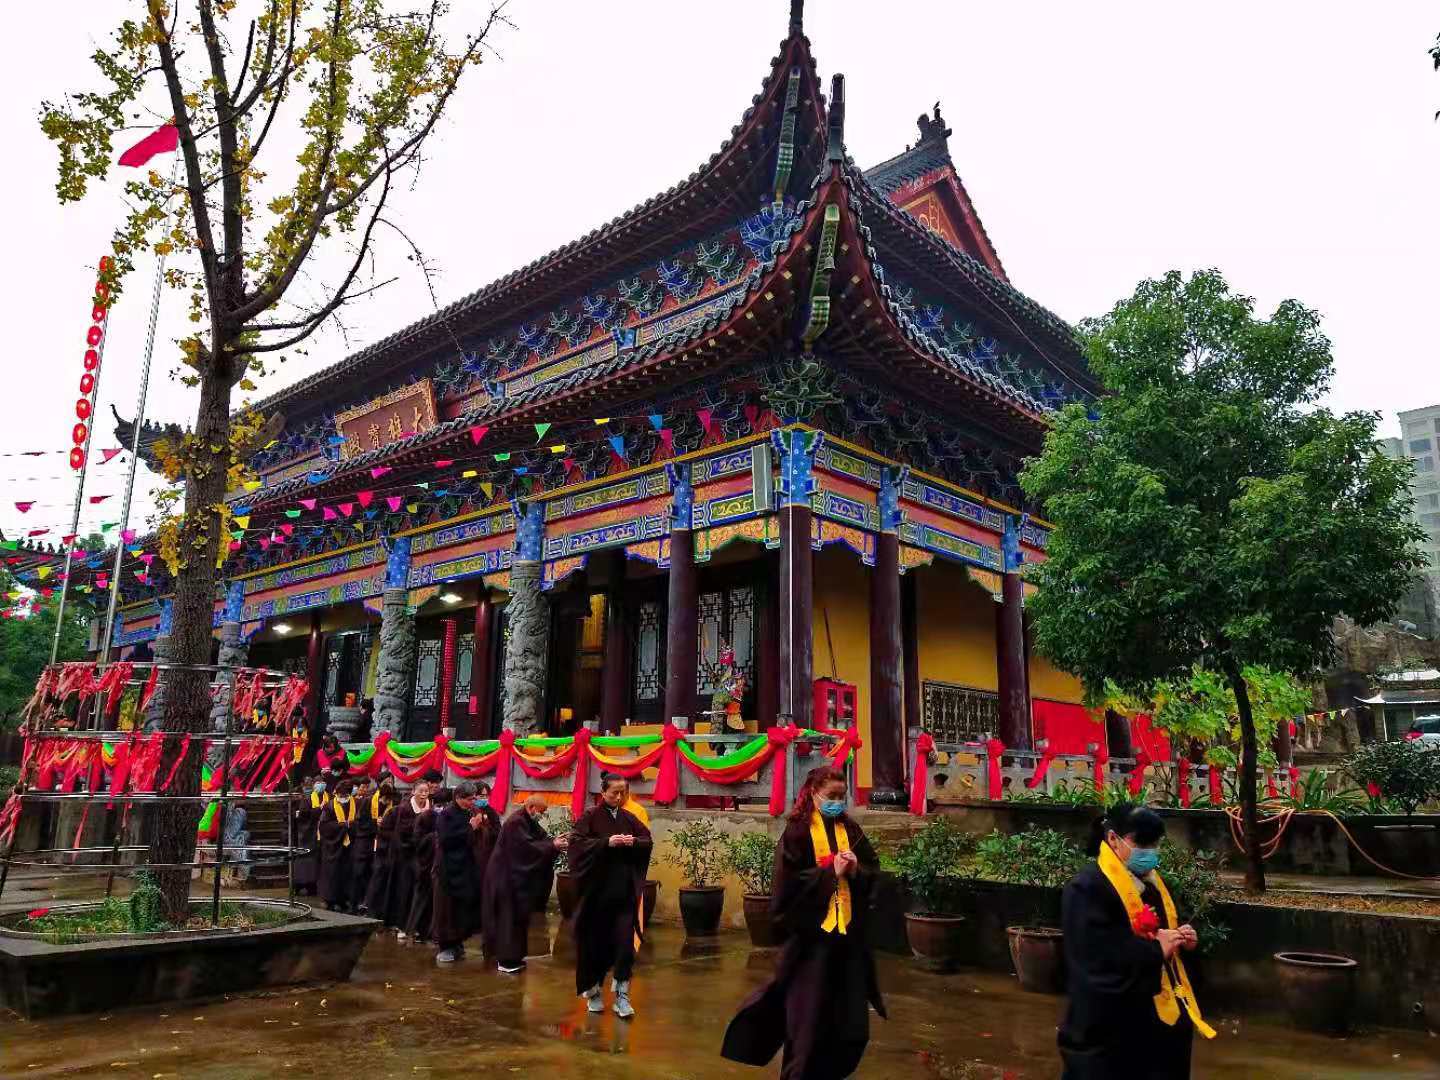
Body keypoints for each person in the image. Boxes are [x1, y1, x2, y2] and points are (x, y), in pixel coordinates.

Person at [722, 766, 885, 1080]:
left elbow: (873, 872)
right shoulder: (797, 831)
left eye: (842, 796)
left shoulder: (850, 829)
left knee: (851, 1028)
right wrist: (828, 874)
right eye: (831, 796)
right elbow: (787, 887)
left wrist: (854, 871)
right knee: (808, 1029)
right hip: (812, 944)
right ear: (814, 793)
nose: (837, 802)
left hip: (847, 942)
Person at [1056, 803, 1214, 1079]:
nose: (1149, 852)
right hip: (1110, 1029)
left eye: (1155, 844)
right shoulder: (1087, 888)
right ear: (1113, 838)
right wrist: (1154, 950)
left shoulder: (1153, 885)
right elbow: (1095, 958)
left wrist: (1183, 942)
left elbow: (1166, 940)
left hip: (1157, 1026)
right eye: (1142, 843)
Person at [568, 774, 652, 1018]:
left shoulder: (628, 817)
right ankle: (593, 992)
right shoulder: (590, 816)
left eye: (622, 793)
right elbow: (576, 844)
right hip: (596, 894)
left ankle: (622, 997)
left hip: (623, 893)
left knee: (625, 945)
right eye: (614, 792)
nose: (618, 797)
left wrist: (632, 841)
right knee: (594, 945)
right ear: (602, 792)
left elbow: (647, 840)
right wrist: (606, 843)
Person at [483, 793, 564, 974]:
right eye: (541, 812)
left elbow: (540, 839)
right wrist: (552, 846)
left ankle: (514, 957)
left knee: (517, 920)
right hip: (504, 878)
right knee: (507, 920)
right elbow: (526, 848)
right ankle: (505, 960)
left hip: (514, 879)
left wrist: (554, 842)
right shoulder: (515, 822)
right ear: (531, 808)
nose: (541, 816)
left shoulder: (527, 820)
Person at [431, 781, 495, 963]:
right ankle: (446, 946)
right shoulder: (446, 815)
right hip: (448, 870)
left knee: (462, 908)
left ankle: (458, 943)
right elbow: (446, 840)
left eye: (474, 798)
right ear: (458, 798)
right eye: (470, 799)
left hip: (465, 868)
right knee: (447, 909)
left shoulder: (470, 812)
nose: (473, 802)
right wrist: (470, 828)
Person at [392, 773, 435, 940]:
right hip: (407, 854)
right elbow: (402, 832)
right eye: (421, 791)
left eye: (426, 791)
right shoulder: (405, 808)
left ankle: (418, 926)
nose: (424, 794)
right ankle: (402, 925)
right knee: (406, 890)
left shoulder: (429, 807)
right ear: (413, 791)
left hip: (423, 855)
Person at [405, 784, 445, 945]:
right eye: (440, 805)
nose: (442, 809)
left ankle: (428, 931)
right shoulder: (425, 817)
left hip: (437, 865)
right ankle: (414, 928)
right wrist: (434, 837)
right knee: (421, 898)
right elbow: (417, 841)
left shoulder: (442, 817)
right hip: (423, 864)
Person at [317, 779, 357, 912]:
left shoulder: (353, 803)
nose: (343, 798)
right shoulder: (329, 806)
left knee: (346, 873)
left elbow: (358, 821)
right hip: (333, 846)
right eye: (340, 795)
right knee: (332, 874)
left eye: (345, 796)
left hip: (348, 846)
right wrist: (342, 826)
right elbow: (324, 826)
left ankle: (344, 899)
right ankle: (330, 900)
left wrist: (350, 826)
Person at [363, 780, 400, 921]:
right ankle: (370, 907)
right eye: (383, 799)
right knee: (377, 876)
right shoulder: (369, 802)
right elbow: (362, 822)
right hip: (375, 843)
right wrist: (374, 823)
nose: (385, 801)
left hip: (389, 846)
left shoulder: (395, 808)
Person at [348, 776, 381, 913]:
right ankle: (355, 903)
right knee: (359, 874)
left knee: (370, 875)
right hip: (363, 844)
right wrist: (375, 824)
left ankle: (367, 903)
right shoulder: (367, 803)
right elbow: (359, 824)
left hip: (375, 846)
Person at [293, 776, 327, 897]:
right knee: (305, 861)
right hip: (308, 835)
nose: (321, 785)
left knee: (317, 864)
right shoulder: (307, 799)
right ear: (313, 785)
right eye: (318, 782)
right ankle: (299, 884)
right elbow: (303, 815)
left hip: (321, 836)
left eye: (323, 782)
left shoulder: (328, 798)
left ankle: (313, 886)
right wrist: (318, 809)